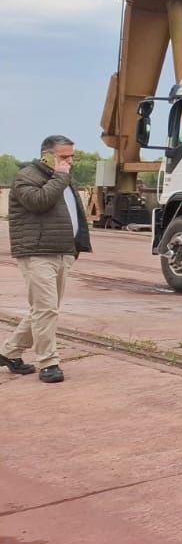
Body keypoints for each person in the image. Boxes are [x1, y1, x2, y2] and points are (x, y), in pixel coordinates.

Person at [2, 135, 91, 384]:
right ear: (46, 154)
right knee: (46, 309)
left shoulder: (61, 177)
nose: (70, 161)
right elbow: (38, 202)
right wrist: (60, 177)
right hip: (37, 252)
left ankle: (9, 352)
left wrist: (74, 248)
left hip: (62, 251)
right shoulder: (27, 176)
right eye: (64, 156)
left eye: (72, 156)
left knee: (45, 310)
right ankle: (48, 363)